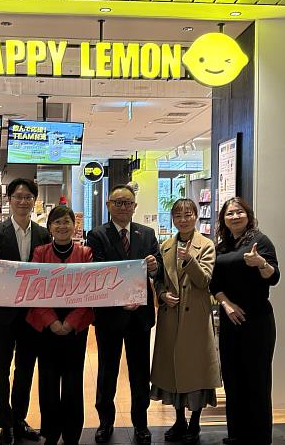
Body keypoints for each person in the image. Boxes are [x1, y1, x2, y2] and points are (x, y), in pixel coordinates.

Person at [0, 178, 51, 445]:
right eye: (18, 196)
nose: (23, 201)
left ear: (34, 201)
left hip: (33, 314)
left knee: (26, 369)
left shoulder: (43, 234)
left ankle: (19, 419)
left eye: (28, 197)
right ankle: (4, 423)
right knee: (1, 369)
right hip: (3, 315)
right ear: (9, 199)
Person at [86, 184, 162, 445]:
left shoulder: (147, 234)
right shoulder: (97, 235)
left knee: (140, 372)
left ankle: (141, 423)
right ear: (108, 205)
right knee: (107, 370)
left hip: (140, 315)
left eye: (127, 203)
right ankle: (105, 422)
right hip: (110, 315)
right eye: (117, 202)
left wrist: (154, 266)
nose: (122, 207)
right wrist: (121, 301)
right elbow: (98, 272)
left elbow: (157, 269)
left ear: (134, 207)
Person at [210, 197, 280, 445]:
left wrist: (261, 263)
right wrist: (227, 305)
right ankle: (237, 434)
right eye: (229, 213)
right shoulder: (222, 247)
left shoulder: (260, 241)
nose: (235, 216)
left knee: (257, 379)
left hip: (257, 319)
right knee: (233, 378)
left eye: (239, 212)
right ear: (223, 219)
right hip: (230, 319)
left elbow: (274, 277)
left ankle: (259, 437)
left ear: (248, 215)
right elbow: (214, 285)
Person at [151, 199, 220, 445]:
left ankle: (195, 422)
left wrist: (190, 260)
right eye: (178, 215)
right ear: (172, 219)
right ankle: (179, 420)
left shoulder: (207, 245)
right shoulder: (166, 246)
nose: (183, 220)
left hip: (195, 320)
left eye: (188, 214)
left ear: (195, 216)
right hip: (171, 317)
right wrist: (162, 295)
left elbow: (205, 281)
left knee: (196, 370)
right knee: (173, 370)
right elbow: (159, 279)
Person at [25, 206, 94, 445]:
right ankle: (51, 433)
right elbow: (33, 289)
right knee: (48, 381)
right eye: (57, 222)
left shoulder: (85, 253)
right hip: (46, 326)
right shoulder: (40, 252)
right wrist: (52, 322)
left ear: (74, 226)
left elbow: (89, 292)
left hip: (76, 327)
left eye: (66, 222)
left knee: (74, 381)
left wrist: (70, 323)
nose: (62, 227)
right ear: (49, 227)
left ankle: (72, 434)